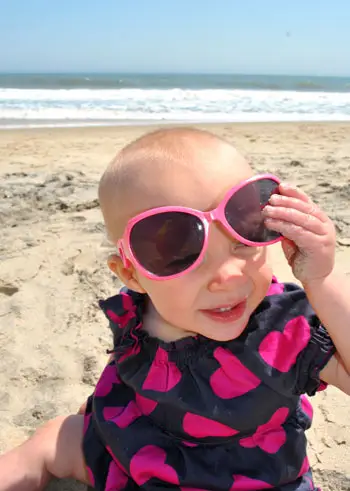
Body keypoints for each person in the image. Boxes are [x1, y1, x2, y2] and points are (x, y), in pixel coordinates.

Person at [0, 127, 349, 491]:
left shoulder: (284, 328)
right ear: (133, 275)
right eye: (180, 253)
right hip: (138, 452)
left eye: (246, 235)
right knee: (53, 439)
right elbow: (126, 369)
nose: (228, 276)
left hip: (252, 478)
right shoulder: (138, 310)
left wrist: (322, 281)